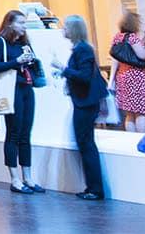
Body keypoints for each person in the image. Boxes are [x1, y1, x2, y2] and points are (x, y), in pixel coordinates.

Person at [49, 14, 107, 201]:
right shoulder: (81, 49)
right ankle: (92, 187)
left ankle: (95, 189)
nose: (63, 30)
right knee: (85, 143)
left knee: (86, 144)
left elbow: (84, 76)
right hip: (84, 101)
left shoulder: (83, 50)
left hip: (86, 102)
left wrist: (63, 68)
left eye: (65, 27)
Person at [0, 9, 43, 194]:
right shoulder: (0, 42)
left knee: (25, 134)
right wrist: (17, 61)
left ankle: (28, 177)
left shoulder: (24, 43)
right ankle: (15, 179)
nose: (24, 27)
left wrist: (31, 61)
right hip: (11, 90)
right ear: (10, 24)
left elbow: (30, 63)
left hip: (26, 88)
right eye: (21, 23)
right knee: (13, 133)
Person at [112, 11, 145, 132]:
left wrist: (111, 80)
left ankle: (130, 141)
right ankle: (141, 139)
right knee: (141, 113)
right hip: (137, 77)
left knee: (129, 113)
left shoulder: (117, 37)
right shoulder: (132, 37)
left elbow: (115, 60)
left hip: (122, 76)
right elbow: (142, 55)